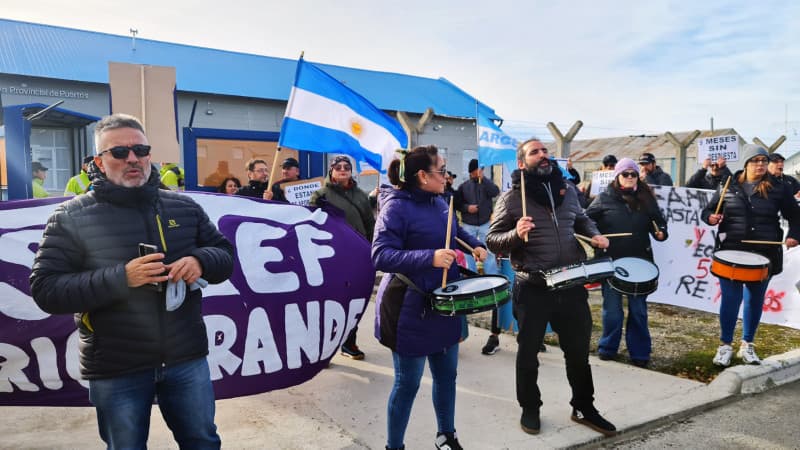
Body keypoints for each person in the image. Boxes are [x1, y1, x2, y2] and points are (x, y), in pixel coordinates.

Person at [29, 113, 235, 449]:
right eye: (119, 152)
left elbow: (225, 256)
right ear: (99, 161)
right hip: (116, 365)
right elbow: (46, 290)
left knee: (203, 442)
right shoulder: (70, 217)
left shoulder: (184, 207)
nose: (133, 159)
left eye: (140, 150)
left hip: (185, 358)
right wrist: (122, 277)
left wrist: (201, 261)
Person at [486, 137, 616, 437]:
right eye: (535, 152)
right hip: (533, 287)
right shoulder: (511, 198)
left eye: (545, 150)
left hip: (571, 283)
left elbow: (581, 219)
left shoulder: (566, 189)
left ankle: (583, 407)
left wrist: (595, 234)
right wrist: (515, 234)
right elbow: (492, 240)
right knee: (528, 354)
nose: (543, 155)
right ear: (522, 163)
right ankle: (530, 407)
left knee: (578, 352)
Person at [372, 145, 487, 450]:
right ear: (423, 176)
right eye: (442, 171)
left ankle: (446, 436)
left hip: (445, 304)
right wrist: (430, 258)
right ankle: (394, 446)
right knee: (407, 384)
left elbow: (454, 232)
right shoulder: (395, 207)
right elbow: (380, 255)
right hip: (409, 307)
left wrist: (474, 245)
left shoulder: (440, 201)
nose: (447, 177)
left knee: (447, 376)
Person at [702, 144, 800, 367]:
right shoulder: (728, 184)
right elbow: (708, 211)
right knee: (730, 299)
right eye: (756, 161)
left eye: (764, 161)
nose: (761, 165)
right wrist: (710, 218)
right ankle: (725, 345)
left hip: (764, 253)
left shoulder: (778, 187)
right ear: (746, 163)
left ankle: (747, 344)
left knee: (754, 301)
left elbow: (796, 216)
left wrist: (794, 235)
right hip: (730, 252)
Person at [585, 158, 668, 368]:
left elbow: (659, 222)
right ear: (617, 176)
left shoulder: (647, 198)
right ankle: (607, 347)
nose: (630, 177)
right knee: (612, 311)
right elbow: (586, 220)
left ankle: (640, 353)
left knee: (638, 311)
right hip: (612, 262)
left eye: (633, 174)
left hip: (640, 262)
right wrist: (594, 236)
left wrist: (661, 232)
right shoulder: (604, 198)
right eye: (626, 174)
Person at [310, 155, 375, 360]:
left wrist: (371, 249)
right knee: (328, 302)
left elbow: (370, 224)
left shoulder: (361, 195)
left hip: (357, 256)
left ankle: (348, 342)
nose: (343, 169)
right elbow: (311, 225)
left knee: (353, 301)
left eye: (347, 167)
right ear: (331, 171)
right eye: (338, 167)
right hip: (331, 257)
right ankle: (324, 348)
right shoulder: (320, 195)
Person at [456, 158, 503, 355]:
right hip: (468, 224)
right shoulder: (463, 186)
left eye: (481, 169)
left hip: (484, 223)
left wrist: (486, 180)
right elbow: (458, 202)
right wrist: (467, 208)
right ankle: (472, 277)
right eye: (477, 170)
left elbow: (495, 192)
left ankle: (491, 277)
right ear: (471, 171)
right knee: (469, 252)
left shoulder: (486, 184)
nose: (479, 172)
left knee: (488, 251)